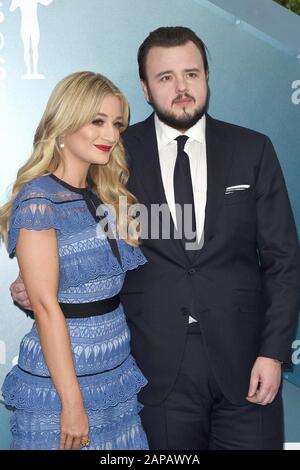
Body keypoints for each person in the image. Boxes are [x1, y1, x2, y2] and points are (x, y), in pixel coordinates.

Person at [10, 27, 300, 450]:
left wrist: (273, 353)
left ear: (206, 78)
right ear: (145, 88)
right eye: (166, 77)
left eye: (191, 74)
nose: (181, 87)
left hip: (247, 365)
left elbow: (283, 260)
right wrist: (42, 286)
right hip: (153, 370)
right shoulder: (112, 154)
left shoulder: (252, 149)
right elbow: (75, 228)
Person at [0, 71, 148, 450]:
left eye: (116, 124)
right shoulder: (39, 200)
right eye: (97, 121)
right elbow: (47, 307)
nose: (111, 136)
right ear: (64, 126)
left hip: (114, 370)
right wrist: (72, 403)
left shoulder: (106, 194)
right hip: (66, 382)